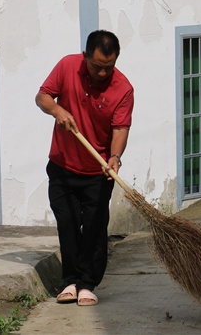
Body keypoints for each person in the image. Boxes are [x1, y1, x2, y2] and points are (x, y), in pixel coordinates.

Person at [36, 30, 134, 306]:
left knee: (93, 226)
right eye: (97, 66)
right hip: (62, 165)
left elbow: (120, 128)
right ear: (85, 56)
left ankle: (87, 284)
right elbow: (42, 97)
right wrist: (57, 110)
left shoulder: (123, 89)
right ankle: (70, 281)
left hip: (98, 172)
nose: (103, 73)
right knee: (67, 223)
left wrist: (115, 157)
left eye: (109, 67)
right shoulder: (67, 66)